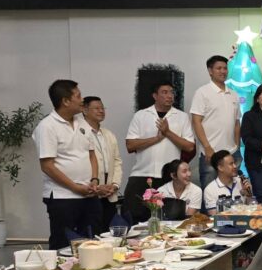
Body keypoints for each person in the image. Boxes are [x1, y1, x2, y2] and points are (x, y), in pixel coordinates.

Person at [31, 79, 101, 249]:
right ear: (65, 101)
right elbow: (47, 166)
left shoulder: (81, 122)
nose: (82, 100)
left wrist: (94, 180)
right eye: (78, 96)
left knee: (92, 243)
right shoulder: (47, 126)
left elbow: (91, 154)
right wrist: (75, 187)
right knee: (63, 245)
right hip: (63, 197)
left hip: (89, 194)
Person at [124, 82, 196, 222]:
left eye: (171, 92)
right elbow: (130, 145)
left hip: (168, 178)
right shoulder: (141, 115)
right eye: (164, 92)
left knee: (168, 220)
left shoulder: (182, 117)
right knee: (135, 219)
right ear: (155, 96)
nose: (169, 96)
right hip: (142, 175)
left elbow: (189, 147)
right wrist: (156, 139)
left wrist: (168, 133)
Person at [190, 55, 241, 187]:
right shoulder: (202, 92)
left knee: (233, 191)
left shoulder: (234, 94)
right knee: (209, 192)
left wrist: (237, 145)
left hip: (232, 153)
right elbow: (196, 121)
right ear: (210, 71)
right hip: (211, 153)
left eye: (225, 68)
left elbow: (236, 123)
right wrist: (207, 147)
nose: (223, 71)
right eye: (219, 68)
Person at [82, 96, 123, 229]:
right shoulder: (80, 133)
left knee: (109, 232)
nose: (101, 111)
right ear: (85, 110)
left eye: (102, 108)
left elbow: (117, 161)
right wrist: (97, 187)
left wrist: (114, 185)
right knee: (92, 232)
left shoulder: (109, 134)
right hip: (90, 193)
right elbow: (78, 164)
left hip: (110, 193)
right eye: (96, 108)